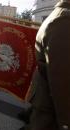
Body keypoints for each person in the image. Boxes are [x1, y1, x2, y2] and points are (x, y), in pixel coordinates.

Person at [25, 0, 70, 130]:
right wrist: (66, 123)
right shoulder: (64, 21)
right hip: (52, 115)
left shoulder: (59, 16)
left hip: (47, 108)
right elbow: (62, 82)